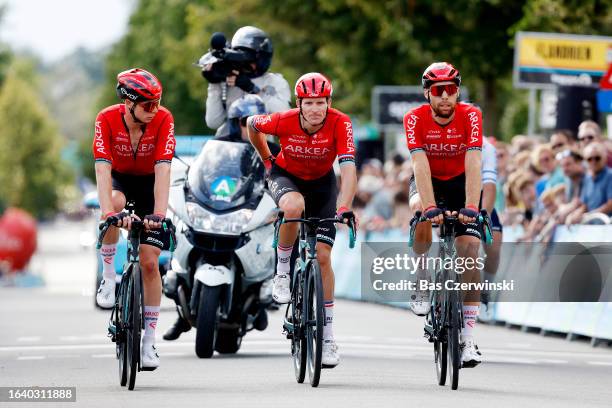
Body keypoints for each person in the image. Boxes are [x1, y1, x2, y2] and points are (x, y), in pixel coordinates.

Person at [247, 72, 357, 367]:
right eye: (309, 103)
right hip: (286, 177)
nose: (315, 109)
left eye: (321, 102)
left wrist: (344, 206)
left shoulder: (340, 122)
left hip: (323, 186)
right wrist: (268, 159)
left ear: (328, 102)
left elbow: (347, 168)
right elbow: (251, 125)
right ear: (299, 104)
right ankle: (282, 271)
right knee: (293, 206)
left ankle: (329, 336)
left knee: (323, 257)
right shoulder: (282, 120)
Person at [162, 94, 278, 341]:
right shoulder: (215, 149)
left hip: (249, 216)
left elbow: (282, 181)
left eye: (258, 121)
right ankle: (183, 317)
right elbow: (200, 176)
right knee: (182, 240)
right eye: (246, 121)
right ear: (236, 123)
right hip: (217, 213)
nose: (252, 126)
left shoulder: (274, 149)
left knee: (283, 235)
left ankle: (263, 294)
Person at [93, 68, 176, 369]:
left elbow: (164, 169)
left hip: (150, 185)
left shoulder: (164, 119)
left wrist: (159, 214)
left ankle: (150, 342)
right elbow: (102, 169)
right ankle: (108, 278)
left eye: (157, 103)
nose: (154, 111)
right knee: (113, 204)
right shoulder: (106, 118)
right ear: (128, 102)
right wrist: (109, 214)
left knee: (150, 262)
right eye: (147, 105)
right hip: (119, 182)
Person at [405, 62, 484, 368]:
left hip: (462, 181)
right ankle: (422, 274)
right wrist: (429, 207)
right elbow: (420, 166)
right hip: (428, 180)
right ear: (428, 94)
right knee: (420, 214)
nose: (445, 97)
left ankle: (468, 338)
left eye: (451, 90)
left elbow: (475, 161)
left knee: (470, 251)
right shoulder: (414, 119)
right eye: (438, 91)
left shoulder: (471, 115)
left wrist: (472, 207)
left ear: (458, 91)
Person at [204, 26, 291, 137]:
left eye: (248, 60)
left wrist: (252, 89)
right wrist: (214, 84)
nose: (244, 64)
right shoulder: (230, 78)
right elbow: (213, 122)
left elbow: (284, 119)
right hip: (227, 147)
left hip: (260, 148)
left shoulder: (275, 82)